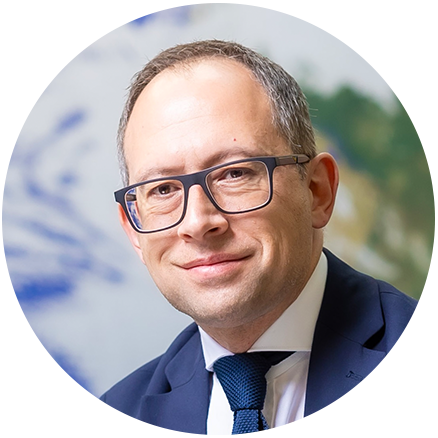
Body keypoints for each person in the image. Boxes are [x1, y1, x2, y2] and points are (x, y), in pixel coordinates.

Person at [88, 40, 434, 435]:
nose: (197, 222)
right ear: (133, 229)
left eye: (235, 173)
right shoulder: (118, 419)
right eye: (163, 190)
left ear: (317, 191)